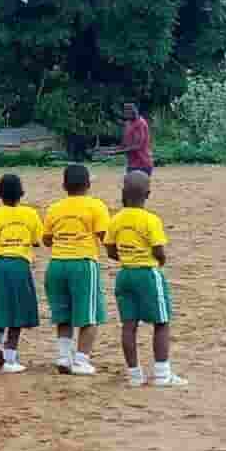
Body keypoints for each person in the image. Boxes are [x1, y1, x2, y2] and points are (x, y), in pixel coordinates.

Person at [104, 170, 185, 388]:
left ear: (123, 192)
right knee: (161, 322)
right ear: (148, 194)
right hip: (147, 273)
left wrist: (126, 256)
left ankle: (134, 375)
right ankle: (162, 374)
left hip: (125, 274)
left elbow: (110, 250)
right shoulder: (151, 220)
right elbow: (159, 250)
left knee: (128, 325)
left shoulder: (116, 219)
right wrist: (159, 260)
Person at [41, 164, 110, 376]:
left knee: (63, 313)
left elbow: (46, 239)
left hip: (56, 264)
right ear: (88, 184)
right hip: (83, 263)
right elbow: (104, 236)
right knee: (89, 315)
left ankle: (64, 356)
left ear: (64, 185)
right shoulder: (96, 206)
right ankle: (81, 360)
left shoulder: (54, 208)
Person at [0, 174, 43, 373]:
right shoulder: (30, 214)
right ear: (21, 193)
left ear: (0, 194)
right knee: (18, 311)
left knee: (1, 303)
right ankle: (11, 358)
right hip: (19, 264)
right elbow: (37, 241)